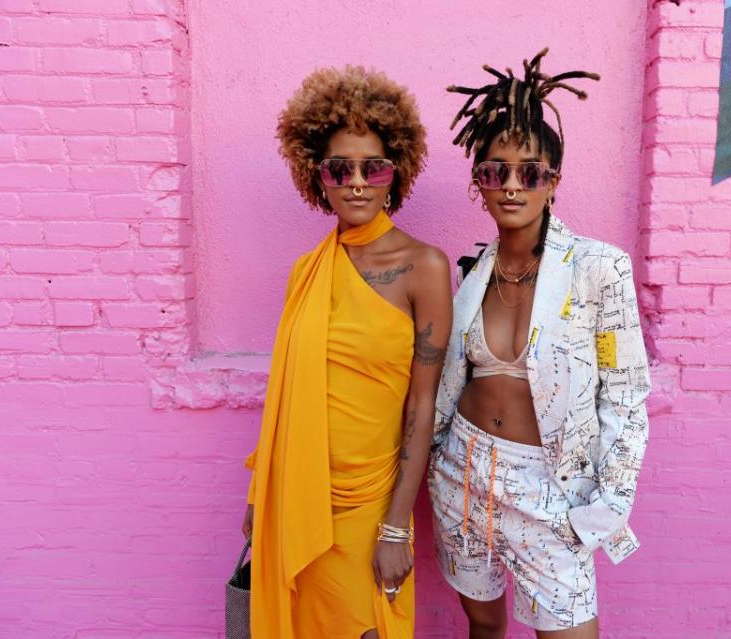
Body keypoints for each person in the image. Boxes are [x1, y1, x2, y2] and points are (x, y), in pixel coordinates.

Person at [429, 49, 651, 638]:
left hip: (549, 488)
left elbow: (626, 399)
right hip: (462, 473)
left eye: (529, 171)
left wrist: (602, 513)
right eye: (494, 170)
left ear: (553, 181)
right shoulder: (472, 273)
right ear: (478, 182)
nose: (510, 185)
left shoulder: (600, 269)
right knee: (483, 626)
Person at [242, 66, 452, 639]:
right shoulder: (307, 272)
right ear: (320, 177)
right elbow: (284, 395)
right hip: (296, 494)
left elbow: (422, 406)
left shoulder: (424, 267)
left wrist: (395, 530)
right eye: (341, 168)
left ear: (395, 173)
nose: (357, 181)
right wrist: (260, 497)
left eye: (373, 166)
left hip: (370, 503)